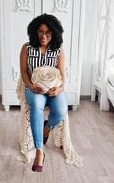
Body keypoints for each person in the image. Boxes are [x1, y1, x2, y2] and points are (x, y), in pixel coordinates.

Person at [20, 14, 68, 172]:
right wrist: (32, 87)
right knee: (36, 105)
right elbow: (24, 72)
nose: (44, 36)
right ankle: (40, 151)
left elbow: (62, 76)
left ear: (54, 33)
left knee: (61, 110)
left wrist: (59, 89)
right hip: (35, 89)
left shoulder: (58, 51)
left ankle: (46, 129)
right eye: (40, 32)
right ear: (35, 31)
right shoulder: (27, 48)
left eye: (48, 32)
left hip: (54, 90)